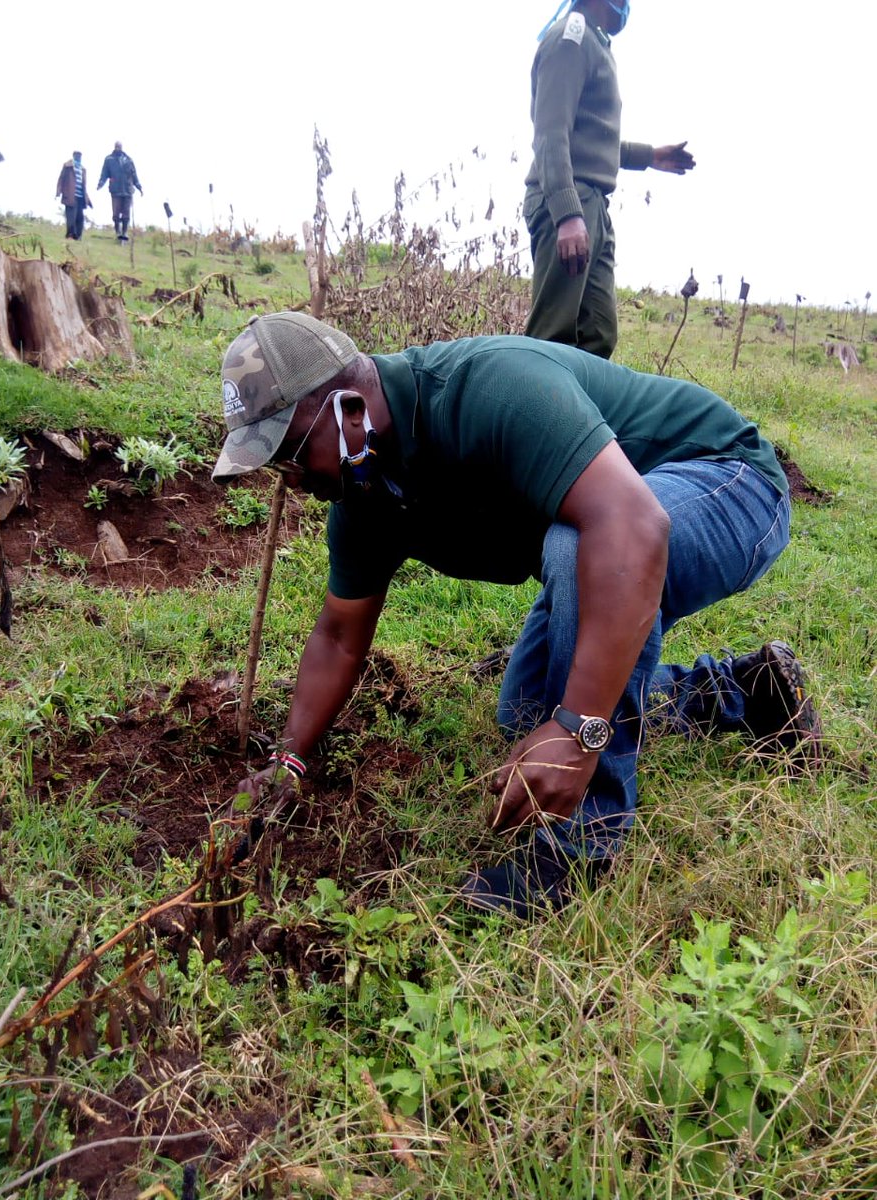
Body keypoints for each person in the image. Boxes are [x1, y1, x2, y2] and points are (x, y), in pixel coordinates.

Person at [213, 312, 820, 919]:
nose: (291, 481)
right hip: (612, 537)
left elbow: (631, 527)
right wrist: (287, 762)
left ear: (348, 409)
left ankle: (581, 846)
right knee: (524, 715)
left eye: (291, 453)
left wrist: (581, 730)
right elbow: (341, 636)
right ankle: (741, 692)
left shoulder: (492, 388)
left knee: (574, 580)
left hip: (727, 481)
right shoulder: (366, 492)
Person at [525, 0, 695, 357]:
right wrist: (568, 215)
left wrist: (650, 156)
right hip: (568, 201)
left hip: (592, 206)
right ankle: (524, 409)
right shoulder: (569, 41)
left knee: (597, 336)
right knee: (551, 339)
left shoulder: (594, 43)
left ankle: (573, 414)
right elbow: (550, 136)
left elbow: (591, 140)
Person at [97, 141, 142, 243]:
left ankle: (125, 232)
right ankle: (118, 232)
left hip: (127, 190)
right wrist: (100, 183)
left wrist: (139, 186)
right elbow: (104, 174)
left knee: (126, 213)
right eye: (116, 146)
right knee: (116, 214)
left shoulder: (129, 160)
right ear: (114, 147)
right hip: (116, 190)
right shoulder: (109, 160)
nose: (118, 148)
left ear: (122, 147)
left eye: (119, 147)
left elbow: (134, 175)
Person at [55, 151, 91, 241]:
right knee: (71, 216)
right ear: (74, 156)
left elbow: (84, 185)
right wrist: (58, 191)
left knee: (80, 217)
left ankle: (78, 236)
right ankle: (70, 235)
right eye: (77, 155)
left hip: (81, 197)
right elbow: (61, 179)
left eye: (80, 155)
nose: (79, 157)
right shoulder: (68, 166)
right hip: (70, 195)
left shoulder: (83, 169)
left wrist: (88, 199)